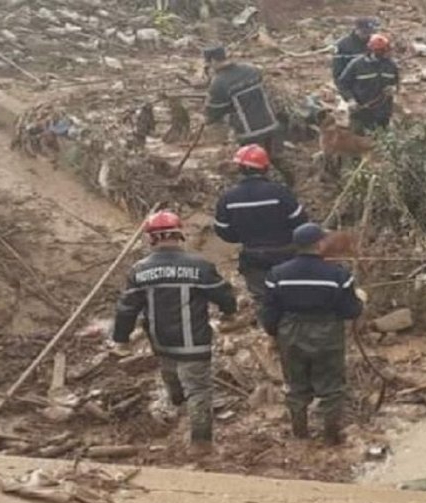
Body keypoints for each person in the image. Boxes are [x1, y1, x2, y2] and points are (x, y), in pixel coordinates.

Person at [112, 211, 237, 456]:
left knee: (172, 378)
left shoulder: (139, 270)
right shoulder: (199, 266)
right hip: (194, 344)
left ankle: (178, 404)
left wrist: (121, 338)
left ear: (151, 239)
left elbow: (126, 308)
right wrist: (228, 313)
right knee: (199, 389)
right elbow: (223, 295)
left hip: (162, 343)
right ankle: (201, 442)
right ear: (179, 234)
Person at [262, 223, 365, 445]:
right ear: (320, 244)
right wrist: (360, 301)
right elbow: (349, 310)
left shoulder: (277, 274)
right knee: (331, 387)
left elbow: (269, 311)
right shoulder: (338, 275)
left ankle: (300, 435)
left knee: (296, 386)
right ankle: (331, 437)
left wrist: (274, 335)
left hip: (290, 332)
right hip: (326, 332)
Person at [214, 144, 308, 330]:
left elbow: (223, 231)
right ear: (265, 168)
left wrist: (243, 237)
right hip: (285, 254)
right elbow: (301, 222)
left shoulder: (228, 198)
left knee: (262, 298)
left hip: (253, 256)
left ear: (240, 169)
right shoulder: (280, 193)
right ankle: (293, 332)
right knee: (290, 293)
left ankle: (271, 335)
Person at [203, 46, 281, 156]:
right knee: (271, 158)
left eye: (208, 65)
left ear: (212, 61)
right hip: (271, 124)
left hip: (249, 134)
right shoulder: (251, 69)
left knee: (252, 164)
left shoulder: (219, 83)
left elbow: (213, 113)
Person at [337, 34, 400, 135]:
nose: (386, 54)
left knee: (379, 144)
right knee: (357, 143)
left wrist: (393, 89)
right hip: (361, 113)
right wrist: (350, 100)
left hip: (382, 114)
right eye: (383, 51)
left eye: (386, 50)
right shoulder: (357, 64)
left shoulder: (391, 65)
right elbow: (343, 84)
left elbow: (396, 83)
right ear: (373, 50)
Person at [332, 17, 378, 86]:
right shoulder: (343, 45)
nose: (367, 35)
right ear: (356, 30)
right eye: (364, 32)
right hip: (352, 84)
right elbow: (338, 72)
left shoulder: (375, 43)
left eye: (370, 32)